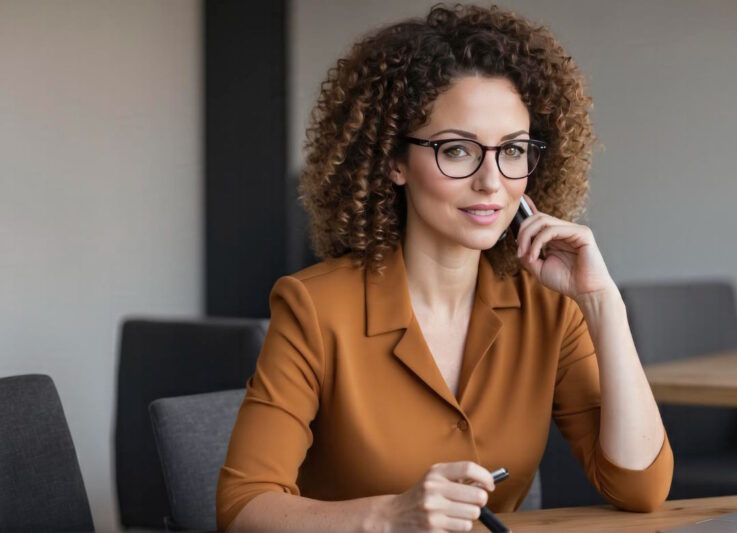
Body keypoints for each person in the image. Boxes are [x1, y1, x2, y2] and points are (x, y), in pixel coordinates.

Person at [216, 4, 672, 532]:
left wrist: (600, 301)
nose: (491, 182)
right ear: (394, 161)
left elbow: (640, 488)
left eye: (513, 150)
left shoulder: (549, 305)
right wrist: (390, 516)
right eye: (457, 151)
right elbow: (242, 507)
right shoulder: (314, 307)